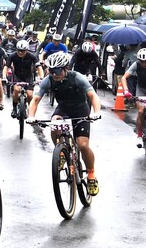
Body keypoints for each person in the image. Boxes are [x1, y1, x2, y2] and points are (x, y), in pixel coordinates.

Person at [27, 52, 102, 195]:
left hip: (80, 109)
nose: (54, 74)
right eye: (51, 70)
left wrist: (96, 112)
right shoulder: (48, 80)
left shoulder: (77, 78)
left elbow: (93, 96)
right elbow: (35, 100)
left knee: (83, 145)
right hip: (63, 108)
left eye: (57, 70)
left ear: (65, 68)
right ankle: (61, 151)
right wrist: (31, 116)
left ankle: (91, 175)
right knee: (54, 124)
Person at [121, 47, 146, 142]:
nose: (143, 63)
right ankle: (139, 135)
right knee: (141, 111)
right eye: (141, 61)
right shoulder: (136, 64)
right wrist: (126, 90)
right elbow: (124, 77)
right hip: (141, 89)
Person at [6, 39, 42, 116]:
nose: (20, 52)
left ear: (27, 50)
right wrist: (4, 77)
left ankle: (30, 109)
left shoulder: (32, 56)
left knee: (29, 94)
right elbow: (6, 67)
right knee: (16, 90)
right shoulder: (12, 56)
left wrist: (41, 77)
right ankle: (14, 109)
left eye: (23, 51)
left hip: (28, 77)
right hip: (17, 76)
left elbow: (39, 67)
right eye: (19, 50)